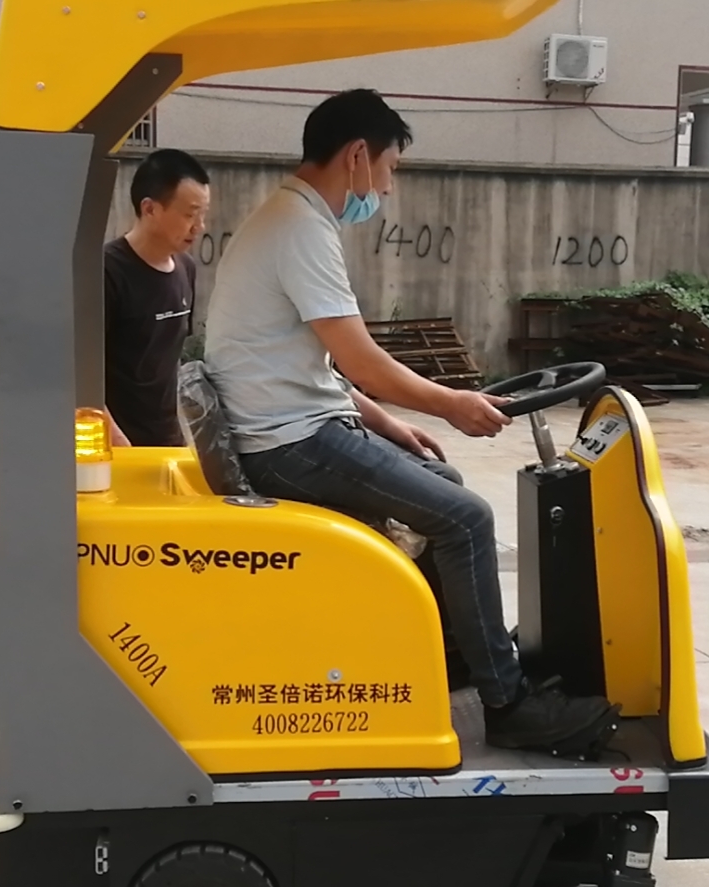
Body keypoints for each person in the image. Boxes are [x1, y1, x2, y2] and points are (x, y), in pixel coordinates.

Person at [201, 88, 624, 754]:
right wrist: (453, 403)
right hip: (289, 443)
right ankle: (507, 703)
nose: (387, 189)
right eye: (390, 169)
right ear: (358, 155)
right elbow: (362, 362)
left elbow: (322, 369)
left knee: (442, 483)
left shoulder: (287, 219)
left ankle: (454, 656)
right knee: (467, 517)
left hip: (294, 426)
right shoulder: (299, 229)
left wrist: (394, 427)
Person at [104, 148, 211, 447]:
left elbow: (169, 362)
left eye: (202, 215)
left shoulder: (186, 268)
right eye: (189, 214)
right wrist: (117, 441)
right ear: (150, 209)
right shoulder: (105, 272)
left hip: (169, 440)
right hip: (119, 445)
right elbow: (79, 374)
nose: (199, 226)